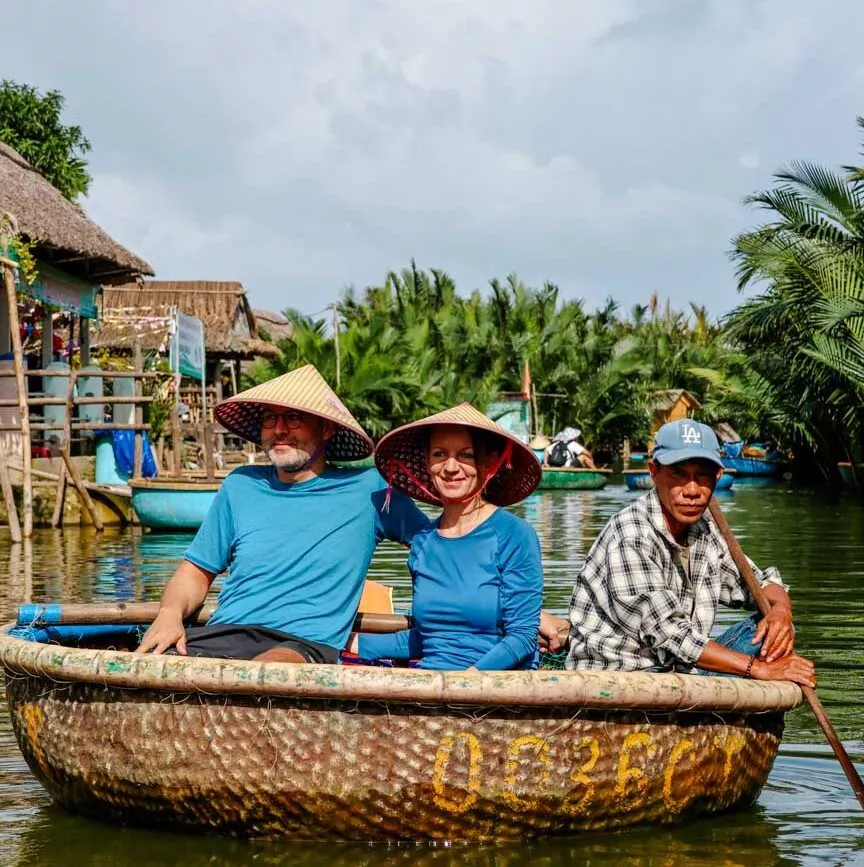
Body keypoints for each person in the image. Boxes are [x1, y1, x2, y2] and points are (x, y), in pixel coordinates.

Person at [137, 364, 428, 663]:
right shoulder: (241, 485)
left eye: (293, 418)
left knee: (268, 669)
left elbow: (436, 546)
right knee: (148, 660)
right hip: (227, 633)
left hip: (302, 645)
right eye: (270, 418)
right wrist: (169, 614)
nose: (279, 430)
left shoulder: (371, 491)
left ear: (326, 428)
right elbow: (195, 573)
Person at [540, 419, 815, 687]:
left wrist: (781, 611)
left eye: (702, 475)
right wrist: (758, 669)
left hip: (681, 671)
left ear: (718, 476)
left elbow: (758, 583)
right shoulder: (631, 534)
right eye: (679, 474)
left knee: (774, 629)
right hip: (624, 678)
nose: (692, 490)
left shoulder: (706, 531)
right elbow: (670, 633)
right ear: (654, 472)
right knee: (762, 651)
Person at [353, 403, 544, 670]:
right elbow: (427, 639)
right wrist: (348, 644)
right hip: (431, 678)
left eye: (466, 455)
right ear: (427, 462)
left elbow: (521, 638)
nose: (451, 467)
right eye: (439, 454)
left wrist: (468, 679)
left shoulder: (515, 535)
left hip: (494, 684)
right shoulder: (423, 542)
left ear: (488, 462)